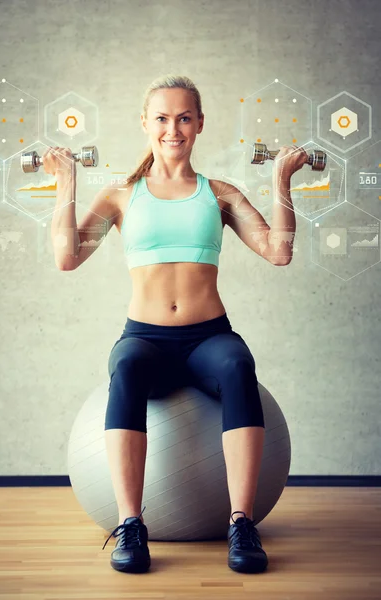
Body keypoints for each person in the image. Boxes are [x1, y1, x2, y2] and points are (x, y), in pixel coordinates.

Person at [47, 74, 307, 576]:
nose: (173, 128)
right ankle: (130, 525)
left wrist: (281, 180)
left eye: (184, 117)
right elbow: (67, 257)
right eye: (162, 118)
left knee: (238, 363)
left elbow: (279, 251)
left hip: (208, 336)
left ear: (200, 124)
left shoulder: (220, 194)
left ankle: (241, 523)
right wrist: (67, 184)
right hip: (145, 338)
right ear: (145, 123)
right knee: (125, 367)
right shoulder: (122, 195)